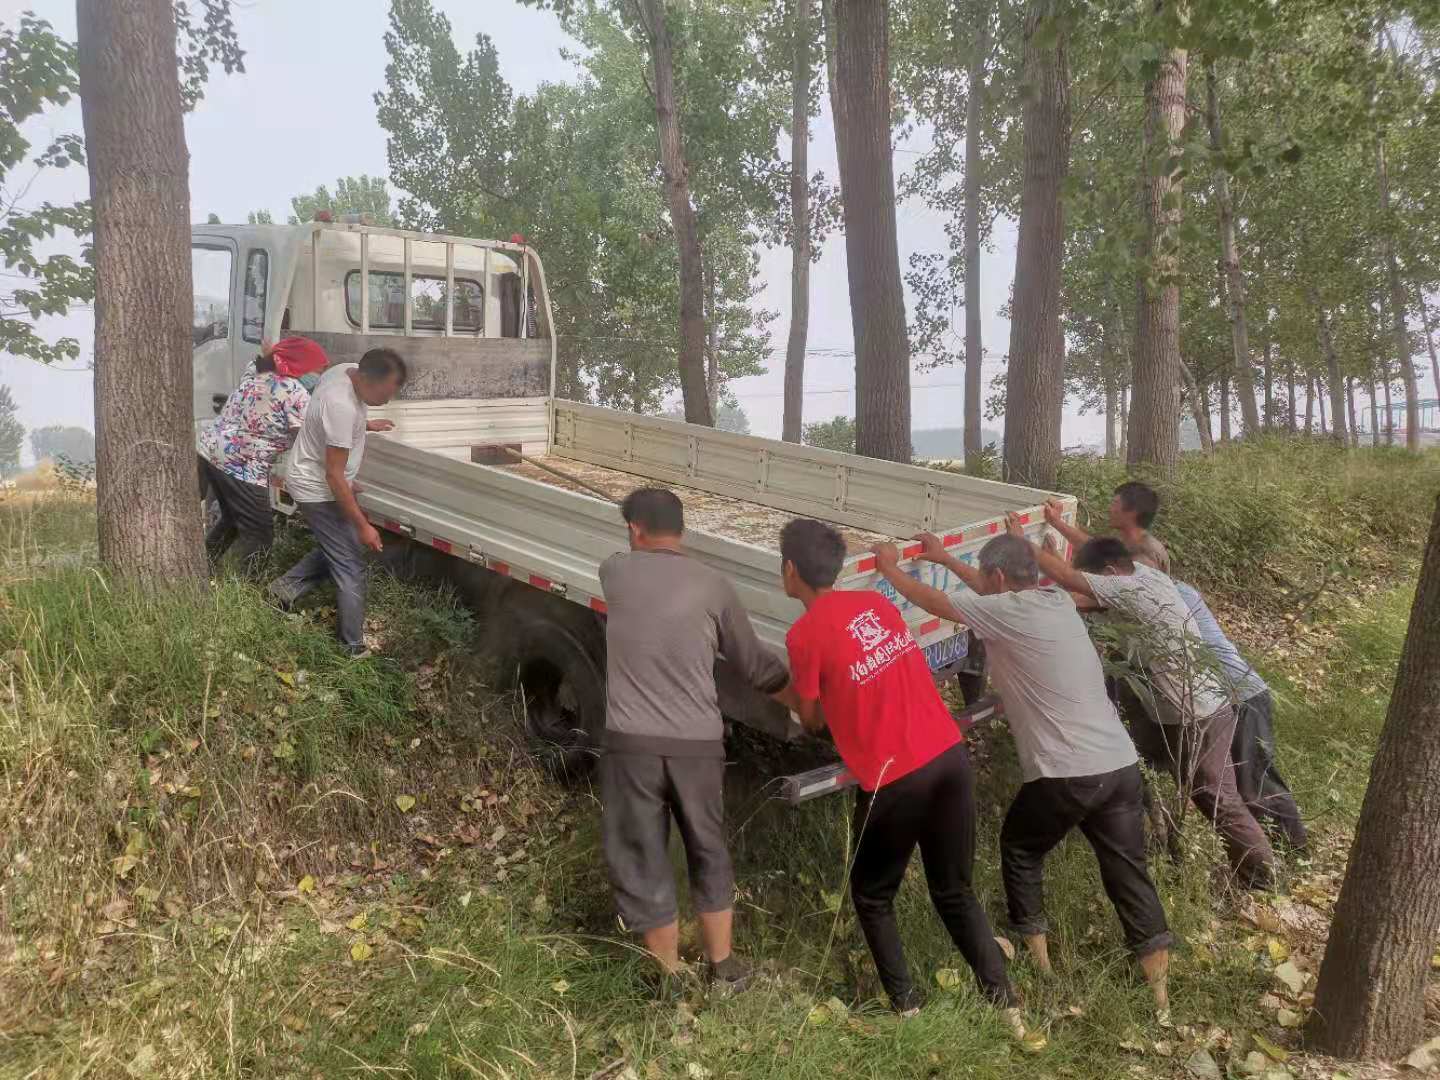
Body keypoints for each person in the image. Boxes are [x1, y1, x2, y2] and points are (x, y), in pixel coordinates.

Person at [871, 530, 1173, 1018]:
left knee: (1020, 849)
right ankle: (1160, 1000)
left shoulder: (1005, 611)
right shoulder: (1053, 599)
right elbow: (983, 590)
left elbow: (941, 603)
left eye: (986, 578)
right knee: (1127, 872)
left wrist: (888, 568)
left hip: (1068, 773)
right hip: (1119, 765)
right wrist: (946, 557)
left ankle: (1041, 965)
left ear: (997, 577)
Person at [776, 518, 1030, 1038]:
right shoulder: (877, 606)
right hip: (950, 757)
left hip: (894, 776)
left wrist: (780, 690)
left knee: (872, 893)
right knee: (955, 889)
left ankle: (907, 1010)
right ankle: (1006, 1006)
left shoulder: (803, 634)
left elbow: (810, 721)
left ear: (789, 572)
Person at [598, 488, 791, 991]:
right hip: (699, 747)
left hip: (632, 746)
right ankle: (722, 966)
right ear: (682, 530)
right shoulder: (714, 586)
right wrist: (804, 699)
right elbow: (752, 664)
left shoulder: (615, 572)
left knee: (643, 850)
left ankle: (667, 974)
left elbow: (636, 560)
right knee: (708, 848)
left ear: (635, 529)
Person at [1031, 531, 1276, 889]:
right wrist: (1057, 559)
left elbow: (1074, 584)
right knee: (1165, 777)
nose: (1096, 586)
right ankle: (1173, 848)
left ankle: (1263, 880)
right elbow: (1081, 595)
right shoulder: (1146, 577)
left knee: (1215, 797)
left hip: (1199, 712)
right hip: (1193, 709)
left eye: (1098, 578)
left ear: (1113, 570)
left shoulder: (1131, 588)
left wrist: (1027, 547)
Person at [268, 348, 406, 656]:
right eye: (386, 393)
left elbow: (326, 423)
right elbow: (333, 474)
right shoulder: (341, 405)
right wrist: (363, 525)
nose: (387, 400)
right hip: (316, 487)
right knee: (351, 565)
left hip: (320, 478)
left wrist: (367, 425)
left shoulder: (346, 369)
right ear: (369, 379)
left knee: (337, 548)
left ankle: (281, 591)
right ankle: (352, 649)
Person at [1173, 580, 1307, 851]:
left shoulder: (1170, 593)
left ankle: (1295, 853)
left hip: (1241, 695)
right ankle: (1272, 854)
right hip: (1219, 700)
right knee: (1235, 785)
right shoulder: (1166, 585)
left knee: (1254, 783)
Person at [197, 337, 329, 569]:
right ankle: (244, 594)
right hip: (242, 465)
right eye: (319, 368)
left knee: (232, 520)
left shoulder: (256, 375)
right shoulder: (294, 392)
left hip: (210, 452)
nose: (320, 375)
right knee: (260, 535)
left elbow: (256, 365)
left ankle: (200, 570)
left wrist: (270, 353)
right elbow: (311, 435)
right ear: (301, 366)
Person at [1044, 481, 1170, 573]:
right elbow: (1094, 546)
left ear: (1132, 513)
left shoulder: (1143, 559)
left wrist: (1054, 558)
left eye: (1115, 503)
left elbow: (1088, 592)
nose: (1110, 509)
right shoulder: (1133, 540)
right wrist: (1056, 522)